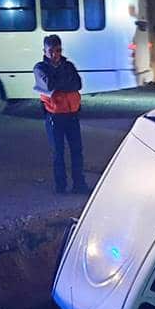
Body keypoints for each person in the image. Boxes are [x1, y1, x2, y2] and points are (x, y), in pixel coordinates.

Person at [33, 35, 90, 194]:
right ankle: (61, 186)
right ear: (44, 51)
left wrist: (59, 82)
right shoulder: (40, 68)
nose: (55, 54)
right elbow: (50, 85)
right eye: (51, 51)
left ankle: (79, 184)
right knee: (58, 152)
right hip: (54, 117)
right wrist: (65, 82)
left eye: (57, 50)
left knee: (77, 151)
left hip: (72, 115)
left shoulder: (68, 65)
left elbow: (78, 84)